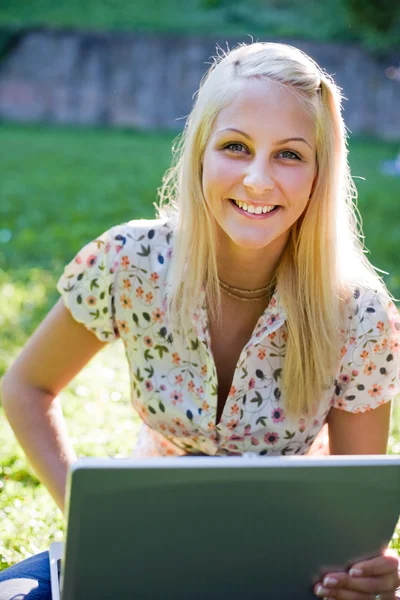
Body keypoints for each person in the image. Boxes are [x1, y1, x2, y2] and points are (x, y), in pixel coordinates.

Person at [1, 41, 399, 599]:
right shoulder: (130, 261)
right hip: (143, 544)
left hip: (290, 563)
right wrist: (95, 523)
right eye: (236, 146)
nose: (258, 180)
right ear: (200, 154)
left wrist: (369, 574)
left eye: (289, 154)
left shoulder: (358, 310)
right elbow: (26, 385)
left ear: (319, 172)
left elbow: (359, 503)